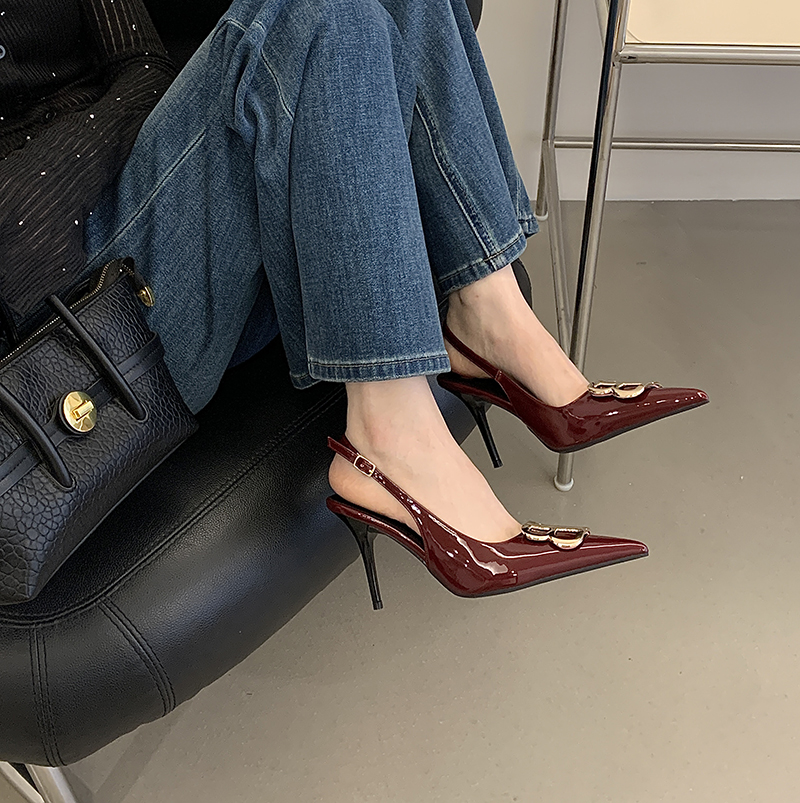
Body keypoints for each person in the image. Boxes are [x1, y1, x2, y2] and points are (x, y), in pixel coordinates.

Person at [0, 0, 707, 607]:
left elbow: (136, 56)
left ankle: (490, 314)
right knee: (314, 12)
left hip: (146, 194)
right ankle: (392, 434)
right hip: (80, 315)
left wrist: (197, 116)